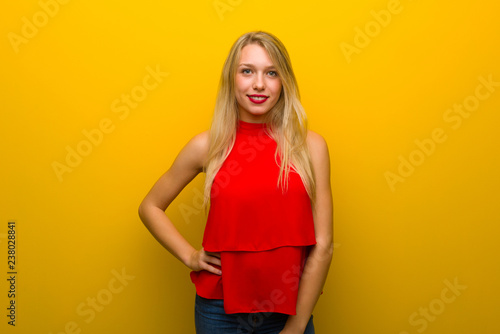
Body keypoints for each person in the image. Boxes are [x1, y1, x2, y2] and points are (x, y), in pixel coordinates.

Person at [138, 31, 333, 334]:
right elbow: (150, 206)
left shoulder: (311, 147)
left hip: (292, 308)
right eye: (247, 71)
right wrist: (190, 255)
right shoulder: (207, 146)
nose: (259, 84)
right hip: (219, 311)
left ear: (284, 82)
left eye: (271, 73)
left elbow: (323, 246)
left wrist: (295, 327)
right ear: (232, 79)